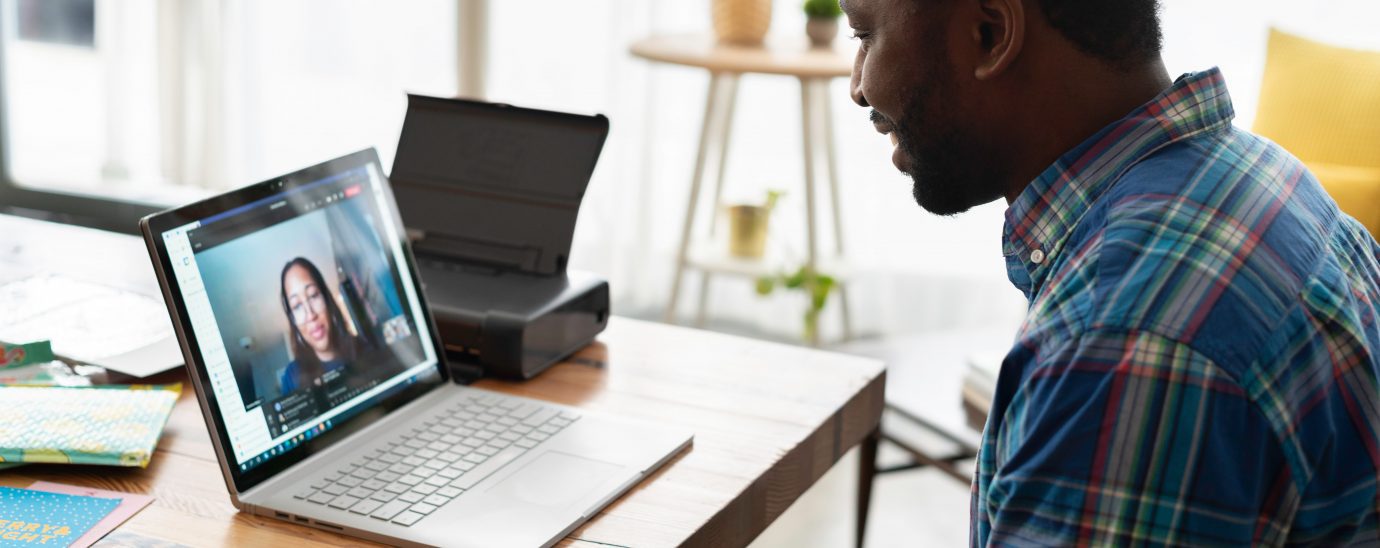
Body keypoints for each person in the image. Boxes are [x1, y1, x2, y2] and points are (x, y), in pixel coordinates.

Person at [839, 0, 1380, 544]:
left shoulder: (1119, 345)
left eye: (865, 35)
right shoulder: (1262, 176)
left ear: (990, 33)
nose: (858, 86)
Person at [278, 257, 358, 394]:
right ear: (293, 321)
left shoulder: (363, 346)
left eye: (313, 295)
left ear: (327, 299)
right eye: (297, 306)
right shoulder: (292, 377)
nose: (310, 315)